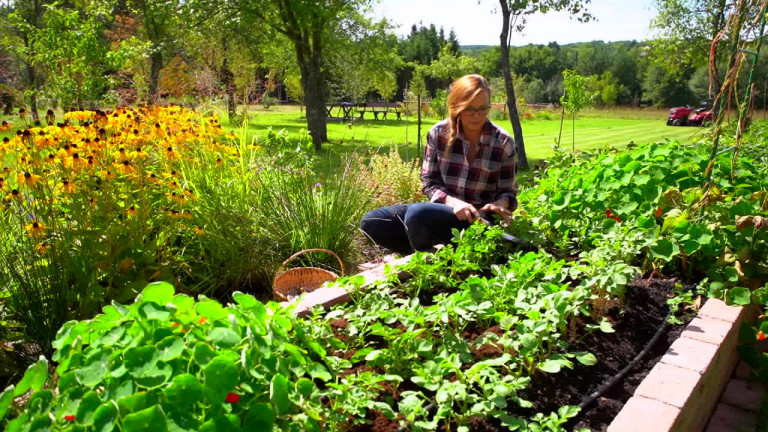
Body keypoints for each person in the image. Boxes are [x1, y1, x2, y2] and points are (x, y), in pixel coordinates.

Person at [360, 74, 518, 255]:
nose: (477, 115)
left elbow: (509, 192)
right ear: (457, 106)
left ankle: (429, 261)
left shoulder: (503, 142)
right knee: (372, 222)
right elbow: (428, 182)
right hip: (440, 210)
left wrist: (500, 203)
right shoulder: (438, 133)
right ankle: (430, 256)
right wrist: (453, 203)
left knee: (417, 215)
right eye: (470, 109)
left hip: (476, 220)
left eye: (483, 108)